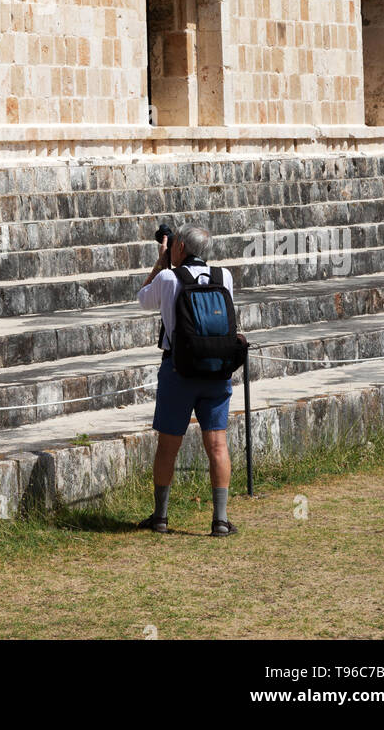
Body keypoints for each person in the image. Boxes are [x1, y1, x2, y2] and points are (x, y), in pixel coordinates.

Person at [136, 222, 239, 537]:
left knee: (168, 446)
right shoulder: (225, 277)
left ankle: (161, 517)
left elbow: (143, 299)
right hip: (216, 369)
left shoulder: (168, 278)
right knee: (217, 445)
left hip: (178, 372)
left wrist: (160, 261)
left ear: (179, 247)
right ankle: (220, 520)